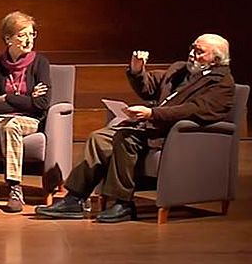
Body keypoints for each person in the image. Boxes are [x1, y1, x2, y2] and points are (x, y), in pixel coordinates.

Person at [36, 33, 235, 223]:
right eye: (192, 48)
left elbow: (194, 110)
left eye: (199, 51)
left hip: (178, 136)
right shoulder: (180, 70)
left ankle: (123, 204)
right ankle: (74, 199)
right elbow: (149, 88)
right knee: (99, 137)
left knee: (126, 138)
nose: (192, 54)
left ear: (215, 60)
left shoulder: (222, 84)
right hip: (151, 127)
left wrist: (152, 114)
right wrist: (137, 70)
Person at [0, 11, 51, 213]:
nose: (28, 39)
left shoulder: (40, 63)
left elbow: (41, 104)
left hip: (29, 120)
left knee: (10, 124)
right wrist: (27, 99)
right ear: (8, 39)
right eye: (22, 35)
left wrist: (7, 98)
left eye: (31, 34)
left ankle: (15, 188)